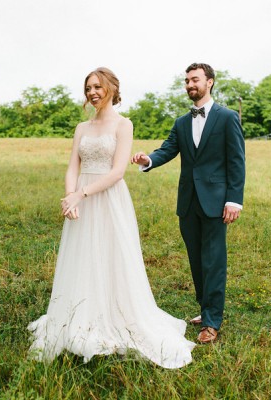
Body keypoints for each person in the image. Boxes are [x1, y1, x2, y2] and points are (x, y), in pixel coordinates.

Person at [28, 67, 195, 369]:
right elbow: (71, 167)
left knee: (111, 256)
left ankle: (113, 316)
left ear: (112, 89)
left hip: (107, 198)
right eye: (88, 88)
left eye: (97, 87)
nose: (92, 92)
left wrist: (83, 194)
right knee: (82, 258)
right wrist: (70, 197)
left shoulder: (123, 125)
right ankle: (79, 314)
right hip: (80, 200)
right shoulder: (81, 127)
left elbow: (118, 172)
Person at [131, 63, 245, 344]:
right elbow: (168, 149)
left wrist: (234, 200)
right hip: (188, 202)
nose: (189, 85)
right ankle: (205, 309)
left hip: (217, 203)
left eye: (195, 79)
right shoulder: (182, 122)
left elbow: (236, 161)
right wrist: (148, 161)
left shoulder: (227, 117)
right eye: (186, 81)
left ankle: (212, 321)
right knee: (196, 259)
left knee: (214, 261)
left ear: (210, 83)